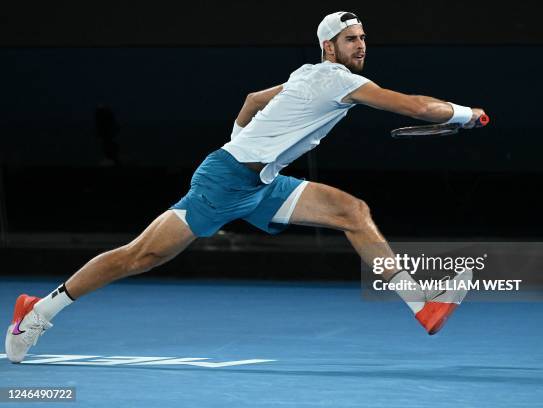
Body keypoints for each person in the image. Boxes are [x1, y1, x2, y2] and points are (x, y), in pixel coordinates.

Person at [5, 11, 486, 363]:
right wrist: (467, 116)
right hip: (224, 179)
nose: (361, 46)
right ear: (329, 47)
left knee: (351, 212)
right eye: (350, 39)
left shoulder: (306, 74)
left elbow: (252, 99)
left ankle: (422, 305)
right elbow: (418, 108)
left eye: (363, 38)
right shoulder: (334, 79)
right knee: (141, 256)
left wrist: (245, 142)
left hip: (260, 182)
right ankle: (38, 310)